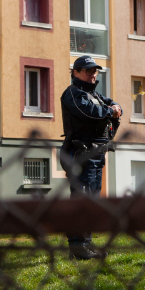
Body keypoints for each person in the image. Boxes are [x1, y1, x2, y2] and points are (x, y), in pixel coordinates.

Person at [59, 55, 122, 261]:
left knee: (92, 199)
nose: (93, 75)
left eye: (95, 71)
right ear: (75, 72)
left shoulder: (94, 94)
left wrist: (114, 108)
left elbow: (113, 105)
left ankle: (85, 244)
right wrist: (110, 111)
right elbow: (88, 112)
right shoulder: (73, 93)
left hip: (96, 152)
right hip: (80, 153)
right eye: (88, 71)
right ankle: (78, 246)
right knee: (82, 198)